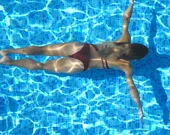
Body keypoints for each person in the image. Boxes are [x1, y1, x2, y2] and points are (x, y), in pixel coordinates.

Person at [0, 0, 148, 120]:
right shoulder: (126, 66)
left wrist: (131, 4)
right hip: (80, 64)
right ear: (134, 58)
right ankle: (10, 62)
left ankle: (9, 51)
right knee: (41, 65)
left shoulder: (124, 40)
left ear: (132, 45)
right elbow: (132, 88)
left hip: (79, 48)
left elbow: (126, 19)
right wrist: (140, 108)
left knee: (42, 49)